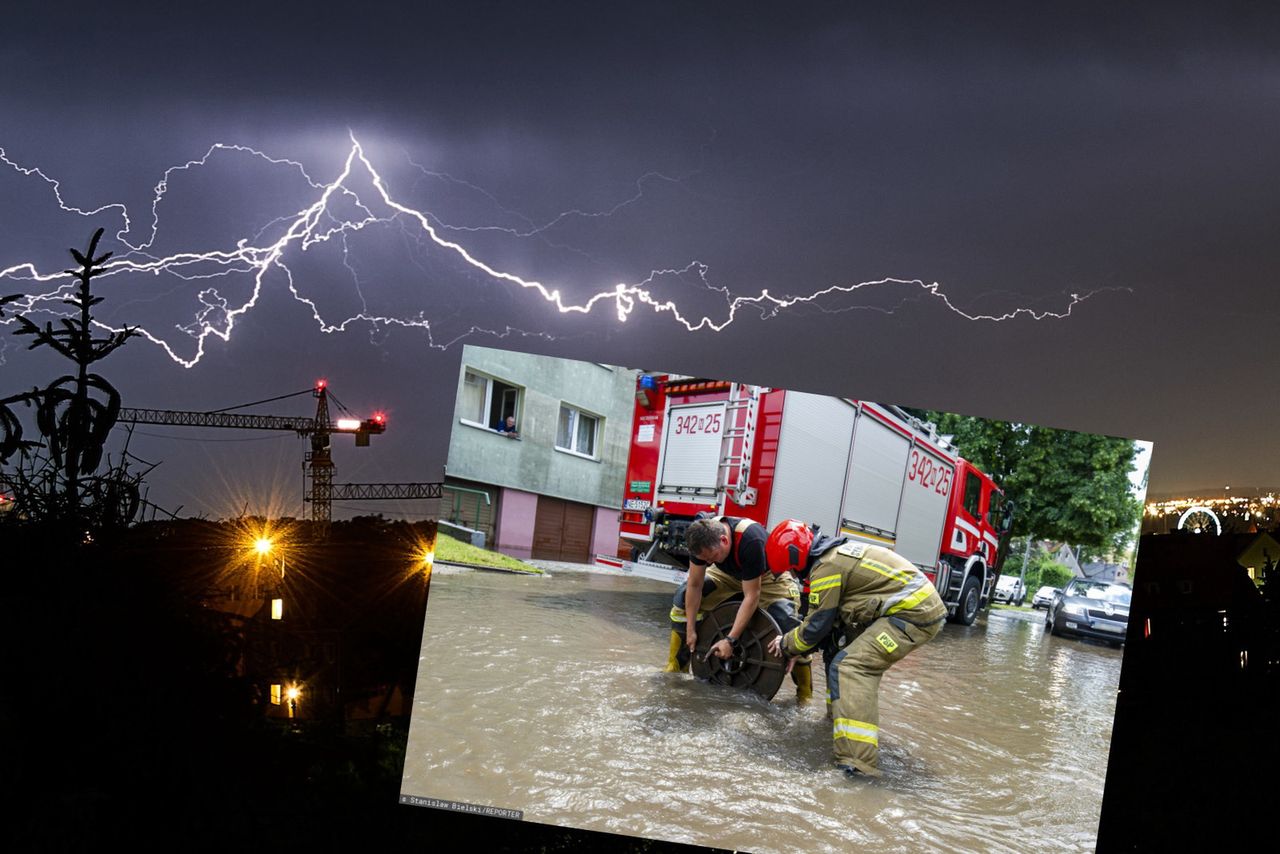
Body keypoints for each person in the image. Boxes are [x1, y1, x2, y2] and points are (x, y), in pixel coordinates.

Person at [765, 518, 946, 778]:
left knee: (852, 667)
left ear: (795, 559)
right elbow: (825, 630)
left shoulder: (826, 567)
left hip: (912, 614)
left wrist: (786, 644)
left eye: (791, 572)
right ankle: (835, 723)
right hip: (908, 608)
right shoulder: (832, 558)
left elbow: (816, 626)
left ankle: (857, 767)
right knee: (835, 655)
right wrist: (799, 647)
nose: (793, 577)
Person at [663, 515, 813, 702]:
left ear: (724, 540)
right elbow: (695, 585)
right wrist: (691, 628)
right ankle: (676, 669)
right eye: (705, 560)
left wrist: (730, 640)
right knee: (682, 598)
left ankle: (804, 695)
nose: (709, 562)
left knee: (788, 624)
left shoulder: (751, 539)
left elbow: (752, 596)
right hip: (726, 575)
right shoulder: (701, 538)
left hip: (767, 580)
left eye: (713, 557)